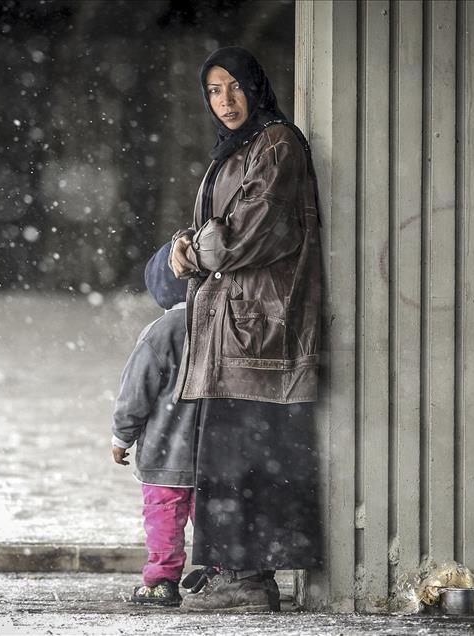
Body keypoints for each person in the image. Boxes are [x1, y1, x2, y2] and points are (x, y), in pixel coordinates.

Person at [168, 46, 323, 613]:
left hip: (259, 330)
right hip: (232, 328)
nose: (225, 100)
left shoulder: (276, 143)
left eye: (234, 86)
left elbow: (248, 234)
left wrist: (196, 250)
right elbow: (218, 229)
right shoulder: (235, 149)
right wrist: (185, 245)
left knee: (246, 457)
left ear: (255, 86)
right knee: (230, 457)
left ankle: (248, 579)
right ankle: (237, 574)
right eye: (214, 90)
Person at [111, 242, 197, 607]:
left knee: (164, 518)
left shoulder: (159, 332)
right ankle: (220, 572)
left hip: (164, 455)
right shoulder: (218, 326)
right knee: (213, 518)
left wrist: (122, 436)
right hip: (213, 452)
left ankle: (162, 580)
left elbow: (136, 392)